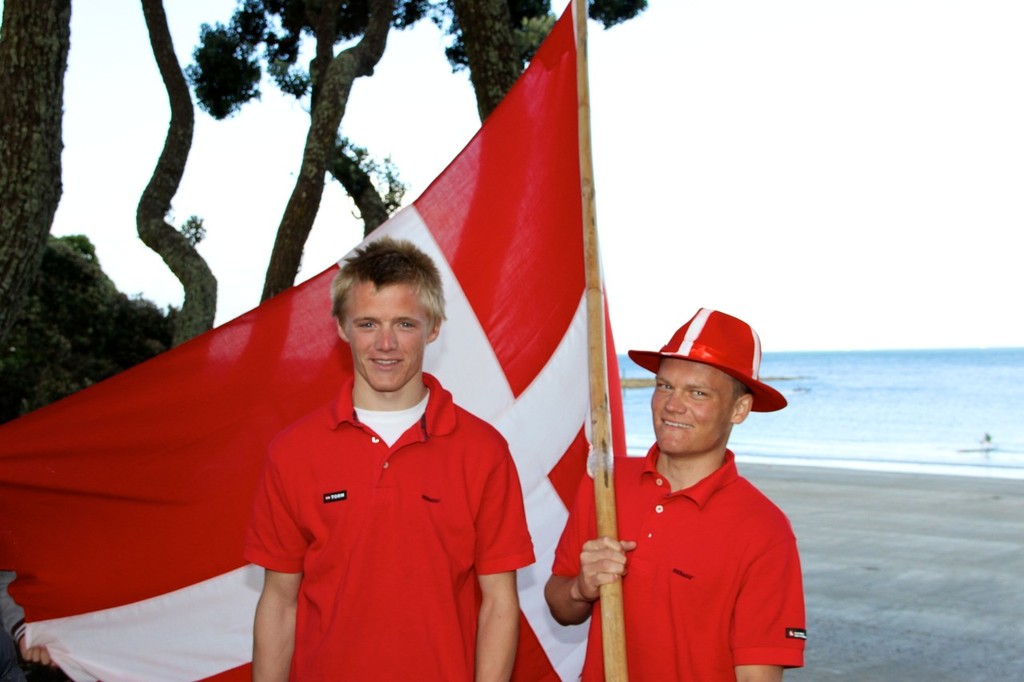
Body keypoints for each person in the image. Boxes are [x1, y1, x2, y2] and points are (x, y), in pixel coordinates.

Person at [244, 237, 535, 681]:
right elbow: (279, 602)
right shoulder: (292, 451)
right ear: (341, 327)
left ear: (433, 327)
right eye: (367, 324)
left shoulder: (483, 451)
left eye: (404, 324)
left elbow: (499, 602)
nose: (385, 344)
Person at [545, 308, 806, 681]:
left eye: (697, 393)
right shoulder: (605, 484)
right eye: (665, 386)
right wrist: (581, 588)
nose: (672, 405)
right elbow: (560, 605)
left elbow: (757, 675)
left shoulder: (764, 530)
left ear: (740, 409)